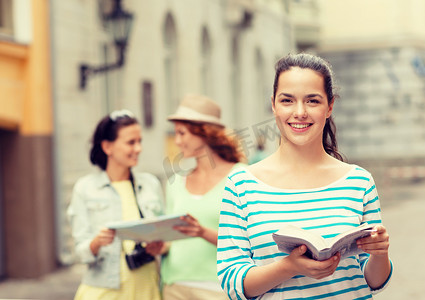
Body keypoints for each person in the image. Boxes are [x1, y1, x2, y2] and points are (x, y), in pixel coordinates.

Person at [217, 53, 392, 300]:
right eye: (287, 100)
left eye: (312, 101)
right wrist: (289, 267)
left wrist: (380, 253)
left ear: (329, 106)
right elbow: (231, 282)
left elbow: (373, 281)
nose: (299, 112)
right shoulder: (241, 185)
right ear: (273, 105)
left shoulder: (359, 182)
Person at [67, 109, 164, 300]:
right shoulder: (85, 188)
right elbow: (80, 252)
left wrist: (160, 246)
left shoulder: (150, 184)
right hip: (103, 291)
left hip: (147, 289)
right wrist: (96, 243)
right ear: (107, 147)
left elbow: (166, 237)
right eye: (131, 142)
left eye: (139, 141)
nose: (138, 149)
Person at [160, 94, 245, 300]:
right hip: (174, 286)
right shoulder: (176, 183)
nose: (177, 141)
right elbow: (172, 240)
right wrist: (157, 245)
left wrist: (202, 232)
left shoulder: (241, 177)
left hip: (219, 288)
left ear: (204, 133)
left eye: (182, 133)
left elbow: (248, 242)